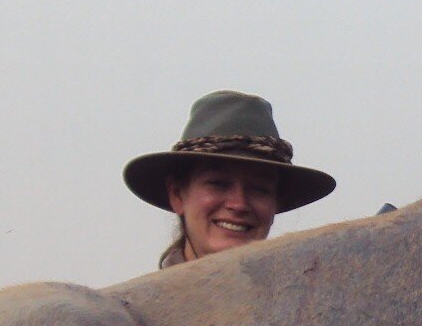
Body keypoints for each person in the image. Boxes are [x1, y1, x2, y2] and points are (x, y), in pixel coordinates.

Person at [124, 92, 335, 268]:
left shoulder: (307, 310)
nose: (239, 204)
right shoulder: (130, 314)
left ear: (276, 203)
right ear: (177, 194)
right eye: (218, 184)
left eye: (259, 189)